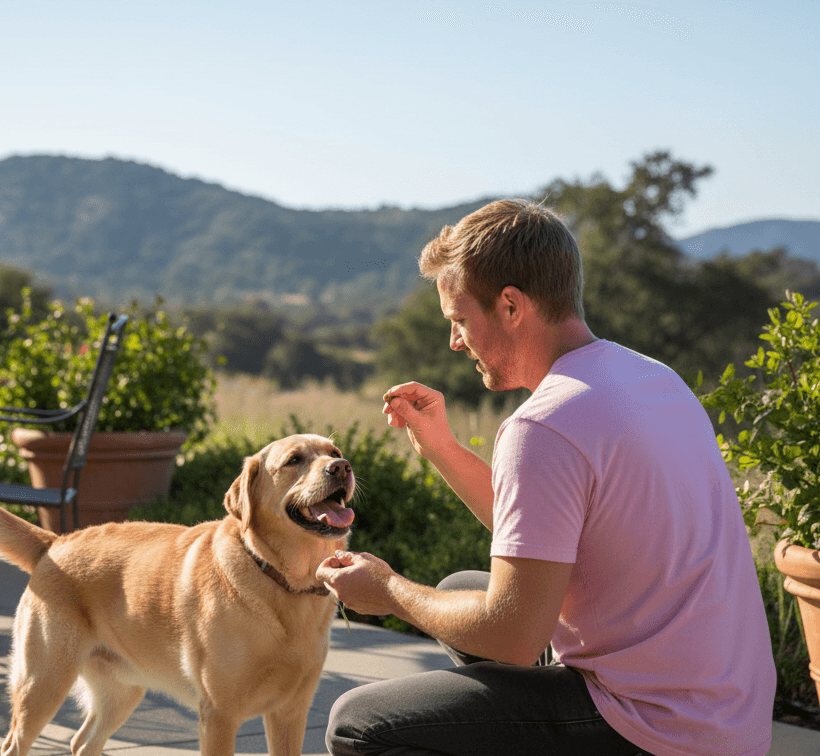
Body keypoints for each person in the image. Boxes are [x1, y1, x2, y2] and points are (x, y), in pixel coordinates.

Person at [316, 199, 775, 756]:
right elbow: (544, 528)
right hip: (731, 718)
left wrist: (387, 590)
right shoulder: (650, 378)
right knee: (458, 593)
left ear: (510, 305)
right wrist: (440, 447)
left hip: (657, 731)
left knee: (357, 724)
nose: (454, 343)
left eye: (460, 320)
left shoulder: (544, 425)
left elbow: (513, 638)